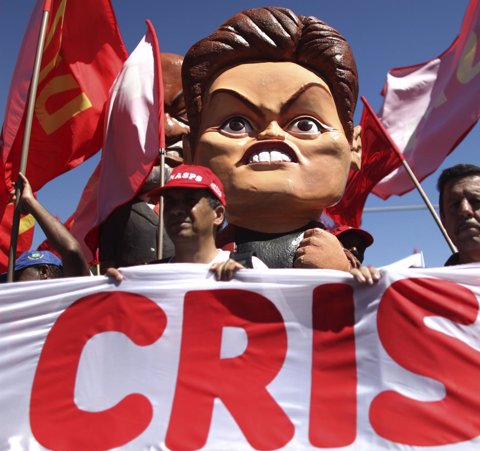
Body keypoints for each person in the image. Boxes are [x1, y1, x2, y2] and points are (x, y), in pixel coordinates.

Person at [181, 6, 363, 270]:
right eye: (235, 124)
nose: (271, 133)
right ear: (190, 152)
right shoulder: (196, 259)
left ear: (354, 147)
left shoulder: (340, 256)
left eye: (305, 124)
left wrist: (342, 275)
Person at [99, 53, 189, 270]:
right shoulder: (115, 213)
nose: (167, 130)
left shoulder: (211, 211)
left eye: (184, 113)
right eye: (147, 117)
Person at [106, 165, 243, 283]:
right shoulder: (148, 277)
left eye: (189, 200)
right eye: (170, 202)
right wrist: (111, 292)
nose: (175, 210)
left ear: (218, 215)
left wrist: (245, 282)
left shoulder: (248, 267)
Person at [2, 172, 90, 281]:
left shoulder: (73, 292)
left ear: (44, 271)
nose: (11, 283)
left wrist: (30, 202)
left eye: (16, 277)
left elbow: (72, 252)